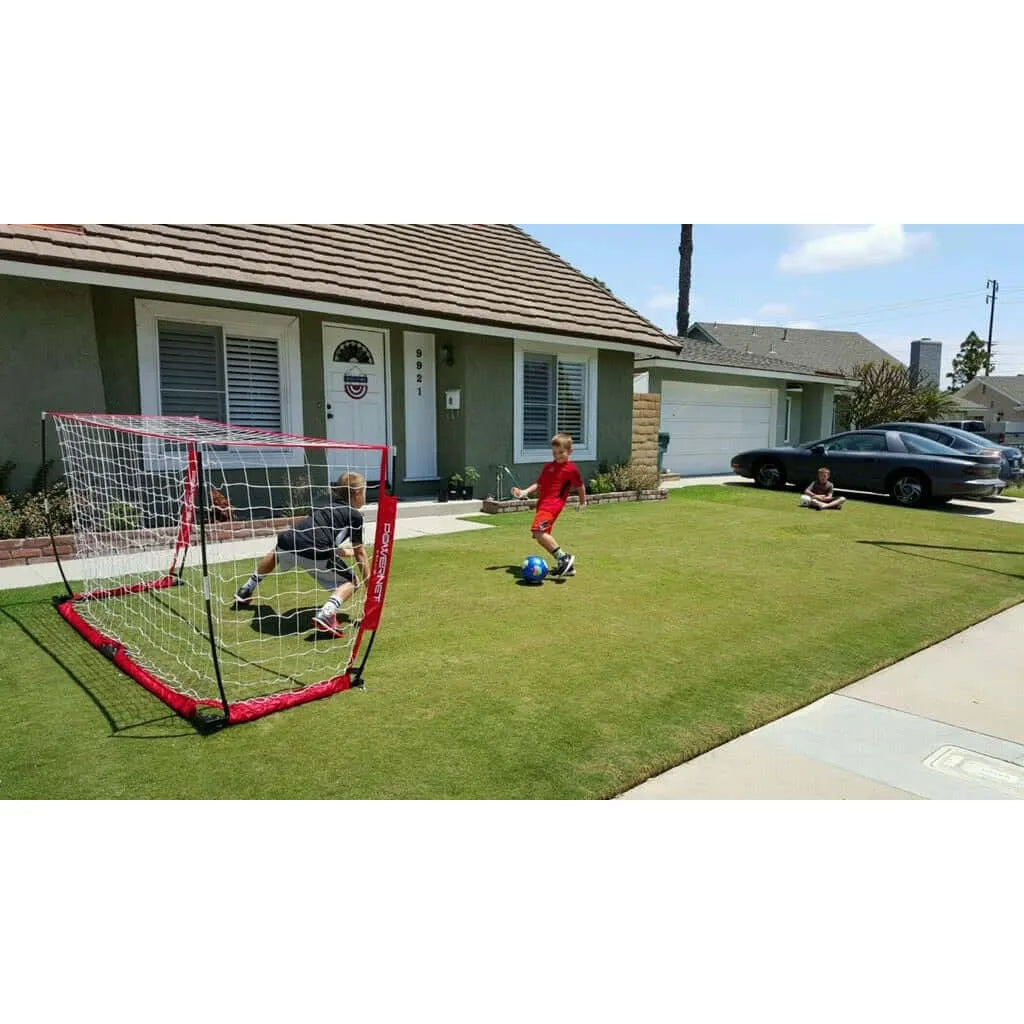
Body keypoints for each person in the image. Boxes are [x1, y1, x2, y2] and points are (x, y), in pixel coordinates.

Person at [232, 471, 370, 637]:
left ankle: (246, 589)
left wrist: (339, 551)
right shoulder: (354, 515)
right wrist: (371, 585)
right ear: (357, 493)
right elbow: (360, 552)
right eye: (365, 491)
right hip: (314, 553)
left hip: (289, 541)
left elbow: (316, 533)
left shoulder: (324, 503)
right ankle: (327, 613)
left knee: (277, 552)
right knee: (352, 581)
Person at [511, 432, 587, 576]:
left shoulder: (571, 469)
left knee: (538, 532)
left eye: (561, 452)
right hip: (543, 505)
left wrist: (583, 502)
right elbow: (539, 484)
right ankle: (568, 567)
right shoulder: (548, 467)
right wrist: (524, 492)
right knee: (540, 536)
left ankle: (564, 558)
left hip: (552, 506)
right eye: (554, 453)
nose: (557, 456)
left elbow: (580, 486)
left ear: (570, 451)